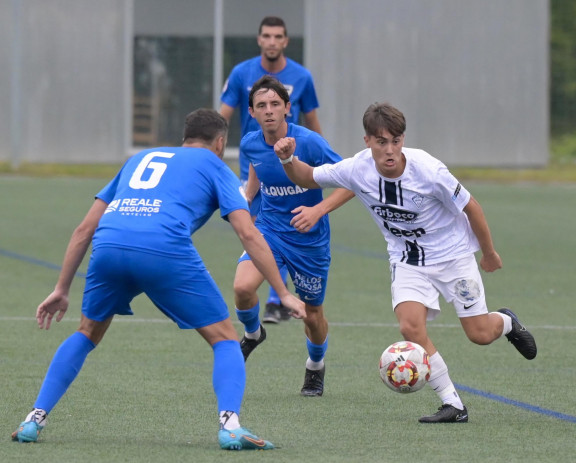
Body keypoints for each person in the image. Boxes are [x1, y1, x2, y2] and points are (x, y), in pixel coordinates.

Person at [10, 109, 306, 450]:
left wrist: (61, 289)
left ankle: (34, 419)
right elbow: (248, 233)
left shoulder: (140, 158)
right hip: (163, 248)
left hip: (110, 246)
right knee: (225, 338)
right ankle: (231, 425)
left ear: (185, 137)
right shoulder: (214, 165)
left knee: (87, 332)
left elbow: (84, 229)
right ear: (220, 142)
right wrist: (282, 292)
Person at [271, 102, 537, 423]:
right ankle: (453, 404)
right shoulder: (357, 168)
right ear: (367, 140)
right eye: (381, 142)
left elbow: (472, 207)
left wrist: (489, 252)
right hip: (407, 260)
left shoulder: (428, 170)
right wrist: (287, 158)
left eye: (395, 141)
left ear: (403, 139)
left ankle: (506, 322)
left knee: (479, 334)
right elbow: (308, 177)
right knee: (410, 326)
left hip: (453, 256)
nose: (390, 150)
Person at [233, 76, 353, 397]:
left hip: (309, 240)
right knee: (243, 288)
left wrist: (318, 211)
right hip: (269, 230)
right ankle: (253, 333)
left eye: (275, 104)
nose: (269, 111)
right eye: (261, 106)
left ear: (288, 108)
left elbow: (351, 181)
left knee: (313, 316)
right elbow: (258, 168)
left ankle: (315, 367)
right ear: (252, 112)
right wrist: (247, 199)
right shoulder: (249, 142)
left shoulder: (310, 143)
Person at [220, 16, 322, 324]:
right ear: (259, 40)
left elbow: (313, 122)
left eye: (278, 36)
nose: (273, 41)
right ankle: (274, 299)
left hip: (289, 169)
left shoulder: (302, 77)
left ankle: (277, 300)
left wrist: (317, 155)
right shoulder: (241, 73)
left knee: (283, 227)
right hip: (253, 167)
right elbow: (222, 118)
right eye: (267, 35)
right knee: (256, 233)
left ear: (286, 41)